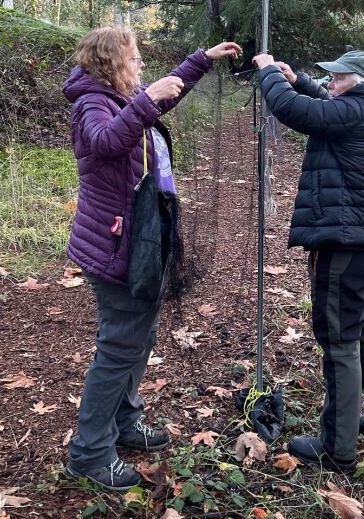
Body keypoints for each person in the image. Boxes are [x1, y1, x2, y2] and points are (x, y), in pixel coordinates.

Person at [62, 26, 241, 491]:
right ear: (110, 62)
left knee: (140, 337)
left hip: (142, 239)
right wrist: (145, 101)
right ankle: (88, 453)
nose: (140, 66)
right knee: (120, 345)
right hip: (116, 246)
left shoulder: (119, 99)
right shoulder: (90, 104)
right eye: (134, 58)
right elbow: (105, 143)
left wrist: (202, 59)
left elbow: (156, 102)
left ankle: (125, 422)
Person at [252, 50, 364, 471]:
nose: (331, 83)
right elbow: (319, 101)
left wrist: (268, 72)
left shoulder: (355, 107)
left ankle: (337, 447)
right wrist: (295, 77)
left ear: (359, 81)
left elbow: (294, 111)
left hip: (348, 241)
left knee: (339, 337)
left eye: (338, 78)